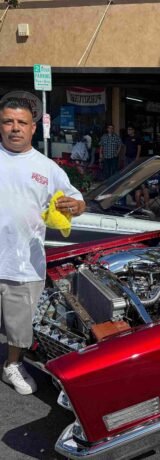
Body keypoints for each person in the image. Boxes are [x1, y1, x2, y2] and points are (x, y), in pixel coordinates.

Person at [0, 97, 85, 395]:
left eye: (21, 122)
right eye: (8, 121)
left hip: (24, 262)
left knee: (20, 328)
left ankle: (12, 365)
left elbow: (77, 200)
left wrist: (76, 205)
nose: (15, 128)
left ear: (33, 128)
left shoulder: (47, 168)